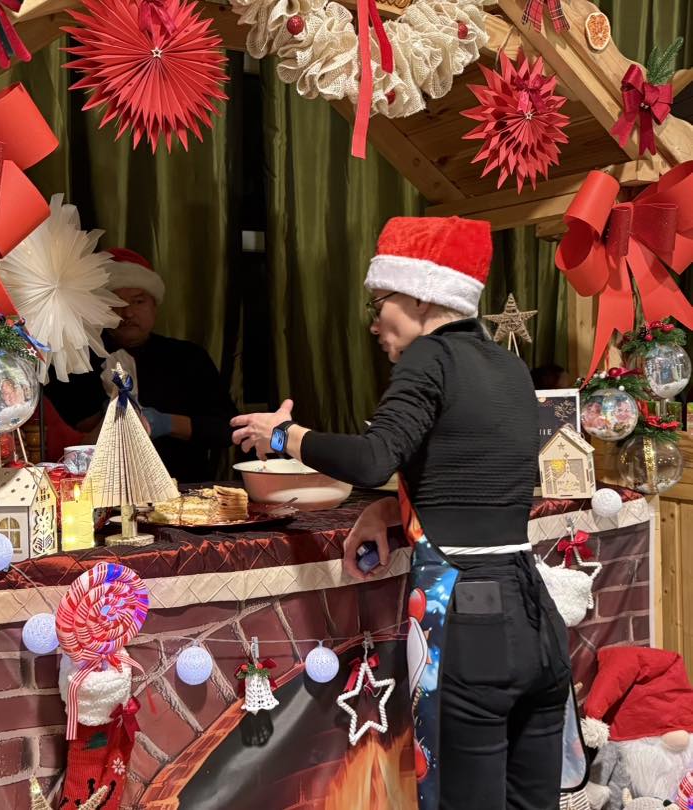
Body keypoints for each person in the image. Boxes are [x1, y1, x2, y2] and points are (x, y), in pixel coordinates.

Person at [230, 217, 576, 810]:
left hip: (470, 621)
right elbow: (472, 479)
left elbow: (373, 458)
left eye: (380, 302)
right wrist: (393, 509)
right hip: (536, 617)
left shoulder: (429, 357)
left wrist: (284, 435)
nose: (374, 323)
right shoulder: (508, 368)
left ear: (420, 296)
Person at [44, 248, 237, 483]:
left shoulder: (188, 357)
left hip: (187, 486)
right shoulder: (76, 360)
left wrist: (167, 423)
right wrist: (111, 416)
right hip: (101, 489)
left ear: (155, 306)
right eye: (115, 302)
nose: (127, 312)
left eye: (138, 301)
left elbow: (226, 429)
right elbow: (63, 431)